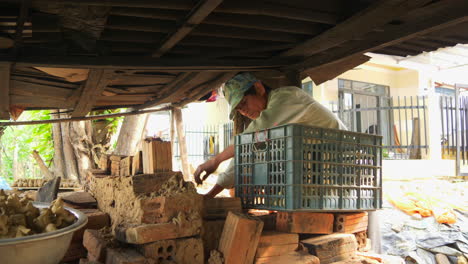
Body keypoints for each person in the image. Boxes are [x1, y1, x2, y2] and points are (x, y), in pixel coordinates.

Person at [194, 72, 347, 198]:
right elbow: (245, 154)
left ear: (259, 88)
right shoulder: (272, 125)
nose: (244, 111)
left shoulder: (287, 98)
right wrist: (211, 195)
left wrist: (216, 160)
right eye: (239, 109)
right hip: (318, 166)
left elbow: (246, 139)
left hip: (341, 160)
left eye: (244, 103)